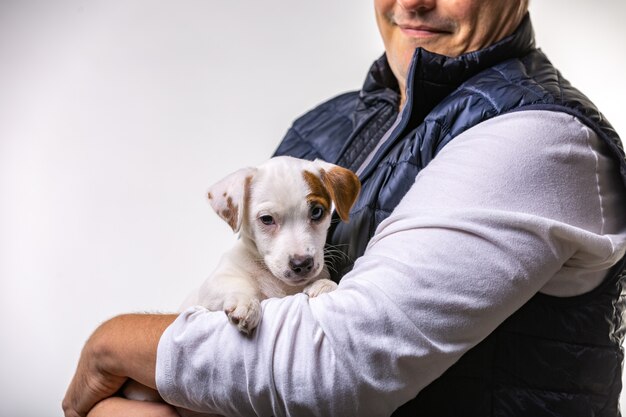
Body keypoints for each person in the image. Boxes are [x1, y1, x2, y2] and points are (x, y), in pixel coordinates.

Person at [63, 0, 626, 416]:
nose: (413, 3)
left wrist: (113, 347)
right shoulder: (322, 129)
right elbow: (251, 347)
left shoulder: (538, 139)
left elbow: (340, 364)